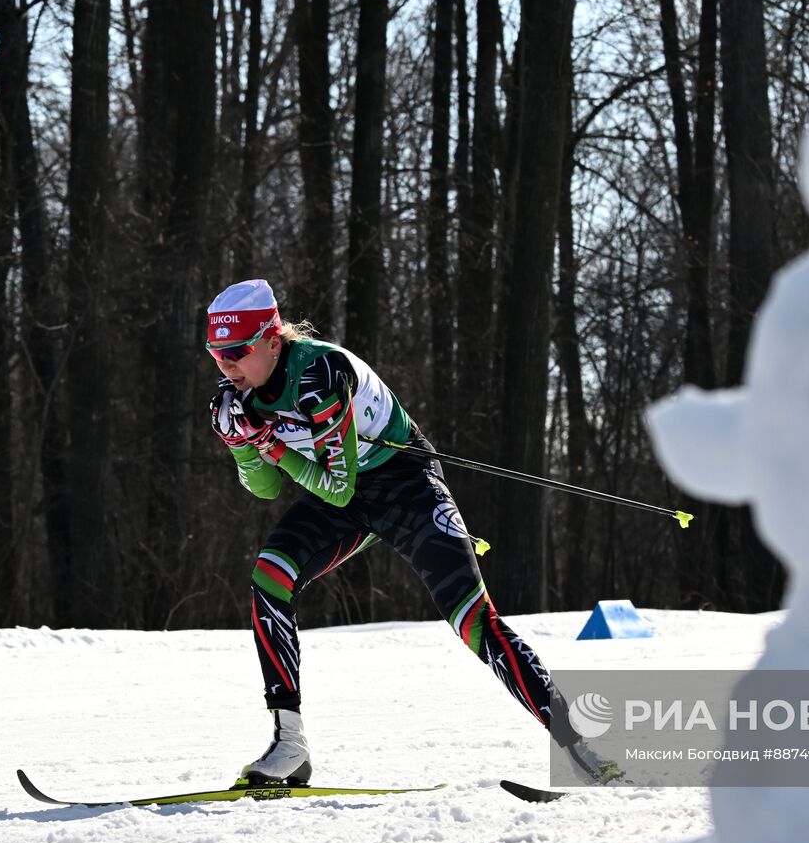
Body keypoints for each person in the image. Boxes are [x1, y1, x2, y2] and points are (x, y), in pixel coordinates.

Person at [204, 279, 619, 787]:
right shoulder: (238, 396)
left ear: (272, 340)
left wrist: (270, 444)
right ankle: (289, 744)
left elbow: (335, 487)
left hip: (405, 485)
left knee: (472, 619)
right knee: (269, 576)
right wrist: (242, 445)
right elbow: (267, 489)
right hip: (346, 491)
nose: (225, 365)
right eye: (216, 353)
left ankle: (581, 747)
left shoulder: (318, 372)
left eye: (236, 352)